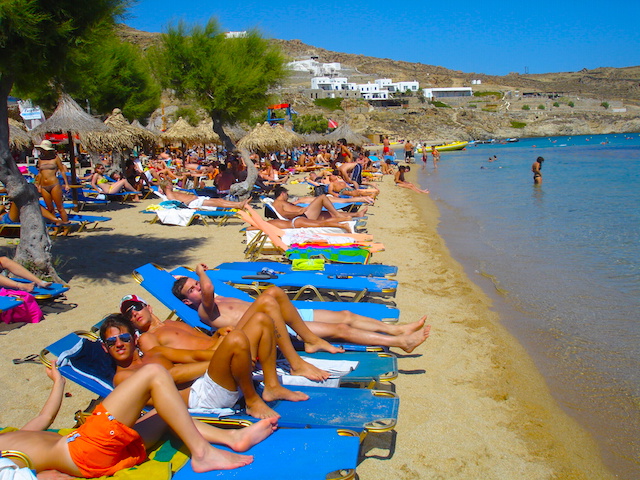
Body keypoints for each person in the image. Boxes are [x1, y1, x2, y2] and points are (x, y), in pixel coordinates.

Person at [0, 363, 277, 477]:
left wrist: (58, 382)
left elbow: (45, 416)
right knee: (154, 373)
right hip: (83, 449)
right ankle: (202, 453)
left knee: (165, 412)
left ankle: (232, 438)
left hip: (90, 451)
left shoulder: (10, 435)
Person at [172, 264, 431, 355]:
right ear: (187, 302)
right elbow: (207, 290)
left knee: (346, 315)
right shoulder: (204, 312)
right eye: (191, 290)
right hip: (277, 328)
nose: (198, 288)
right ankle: (401, 343)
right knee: (340, 329)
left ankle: (396, 330)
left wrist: (189, 278)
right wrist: (198, 271)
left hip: (287, 313)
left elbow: (210, 290)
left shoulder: (219, 298)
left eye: (196, 285)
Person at [101, 313, 308, 419]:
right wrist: (229, 357)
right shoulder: (122, 378)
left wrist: (219, 340)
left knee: (261, 320)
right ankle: (252, 401)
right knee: (236, 340)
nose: (119, 344)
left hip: (208, 379)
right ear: (105, 348)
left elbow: (194, 356)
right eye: (112, 342)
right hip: (200, 397)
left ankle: (272, 386)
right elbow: (171, 376)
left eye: (124, 338)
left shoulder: (154, 352)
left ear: (134, 339)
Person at [271, 186, 366, 221]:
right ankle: (338, 214)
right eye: (286, 194)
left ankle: (357, 214)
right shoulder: (277, 202)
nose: (287, 196)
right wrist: (298, 212)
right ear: (282, 193)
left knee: (329, 214)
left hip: (304, 214)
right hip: (302, 216)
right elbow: (283, 214)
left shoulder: (284, 202)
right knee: (322, 197)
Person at [34, 140, 70, 224]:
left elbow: (62, 170)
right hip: (43, 185)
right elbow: (40, 173)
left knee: (60, 207)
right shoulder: (40, 159)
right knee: (49, 208)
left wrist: (66, 184)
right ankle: (55, 227)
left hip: (54, 184)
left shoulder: (56, 158)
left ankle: (66, 227)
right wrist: (38, 184)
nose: (42, 151)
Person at [159, 182, 246, 209]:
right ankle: (238, 205)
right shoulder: (169, 194)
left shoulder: (172, 192)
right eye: (170, 184)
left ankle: (239, 204)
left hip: (196, 199)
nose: (172, 184)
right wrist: (192, 198)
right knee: (218, 202)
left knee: (220, 200)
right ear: (167, 186)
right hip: (193, 203)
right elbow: (178, 205)